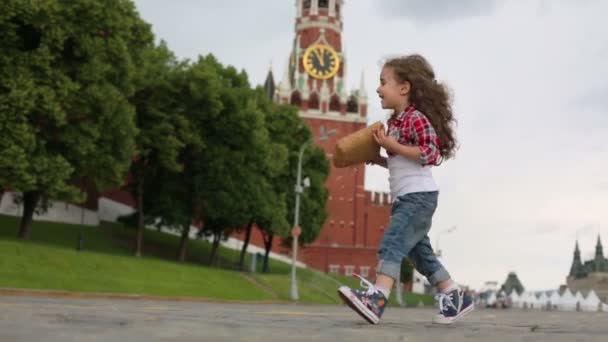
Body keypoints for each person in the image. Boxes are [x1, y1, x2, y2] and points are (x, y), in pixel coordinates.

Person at [337, 54, 473, 325]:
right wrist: (381, 159)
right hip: (406, 198)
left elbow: (429, 153)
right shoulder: (396, 123)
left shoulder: (415, 118)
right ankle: (455, 295)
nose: (378, 88)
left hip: (418, 197)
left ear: (404, 87)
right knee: (419, 254)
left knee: (393, 243)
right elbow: (404, 162)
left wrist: (393, 145)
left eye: (383, 82)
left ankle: (376, 300)